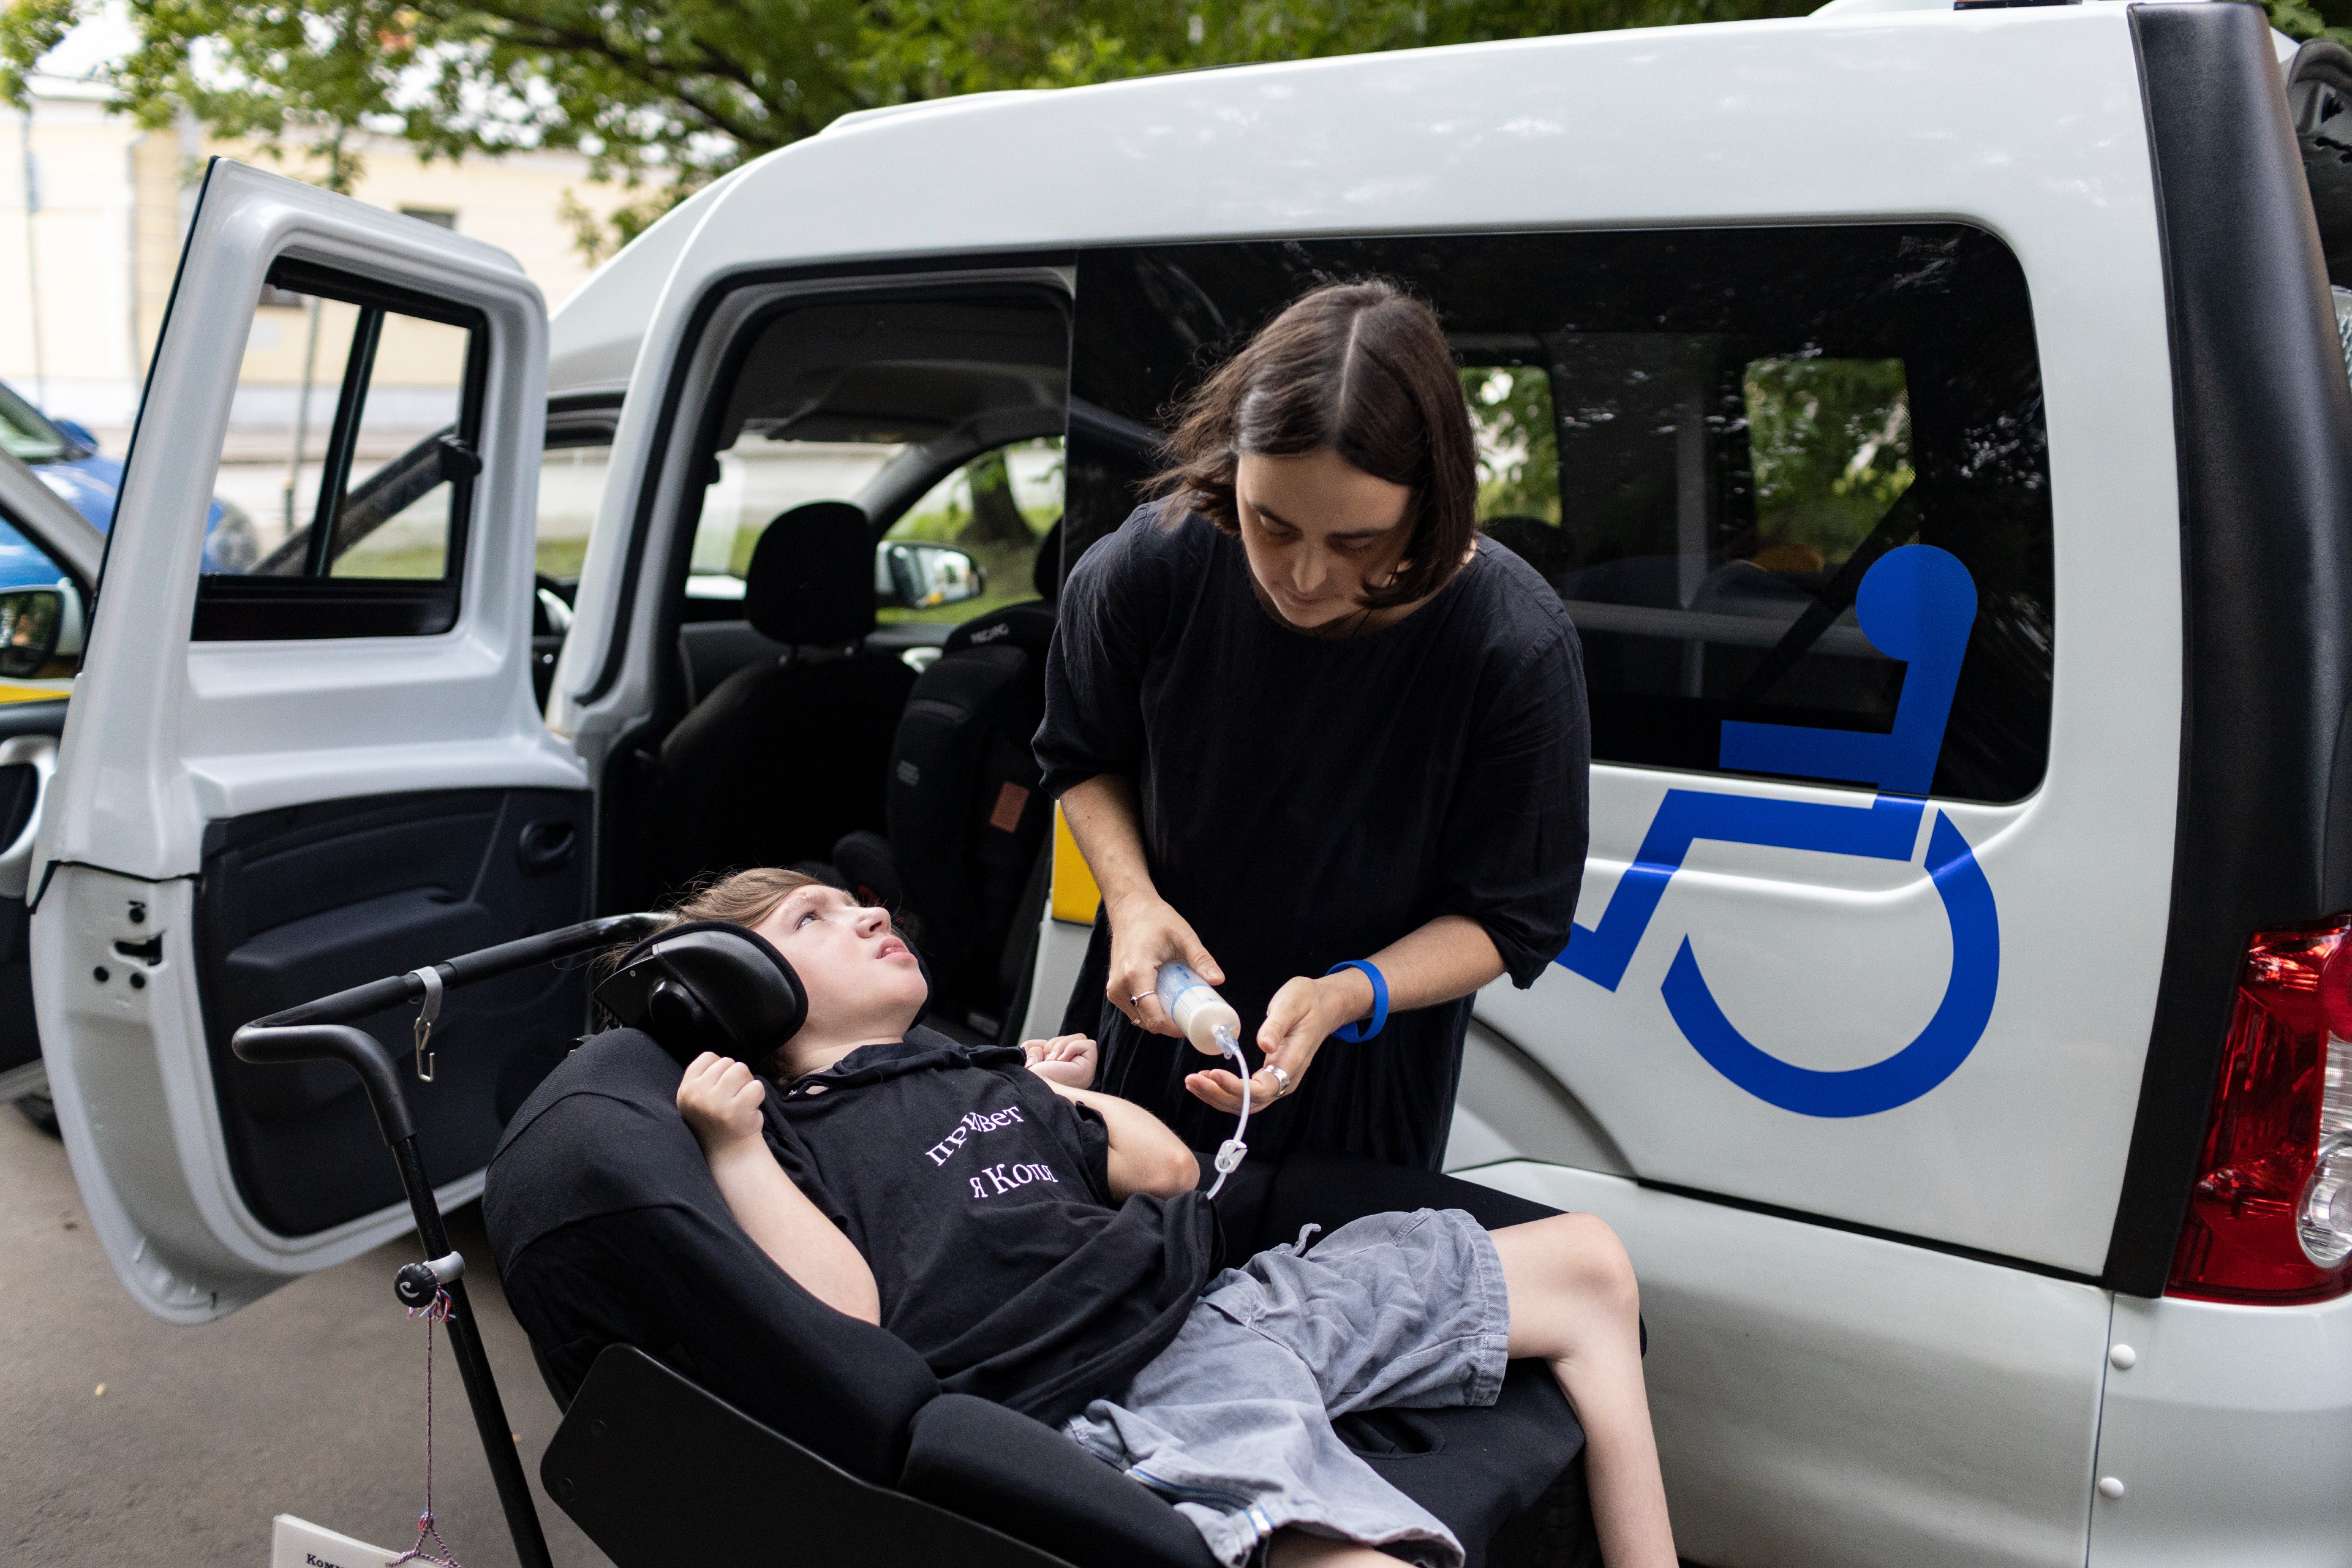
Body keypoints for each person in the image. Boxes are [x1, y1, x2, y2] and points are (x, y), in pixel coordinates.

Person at [652, 867, 1675, 1568]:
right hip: (1111, 1388)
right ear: (751, 996)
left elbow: (1173, 1171)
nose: (868, 917)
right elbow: (844, 1320)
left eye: (856, 903)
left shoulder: (973, 1065)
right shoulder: (789, 1137)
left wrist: (1060, 1101)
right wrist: (736, 1151)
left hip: (1215, 1307)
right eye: (810, 922)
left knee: (1585, 1261)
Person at [1036, 277, 1590, 1170]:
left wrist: (1351, 993)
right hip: (1151, 1020)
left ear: (1429, 501)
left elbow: (1512, 918)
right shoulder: (1151, 565)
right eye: (1271, 522)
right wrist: (1134, 904)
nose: (1301, 575)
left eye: (1356, 543)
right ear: (1232, 465)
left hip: (1364, 1085)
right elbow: (1080, 753)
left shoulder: (1512, 644)